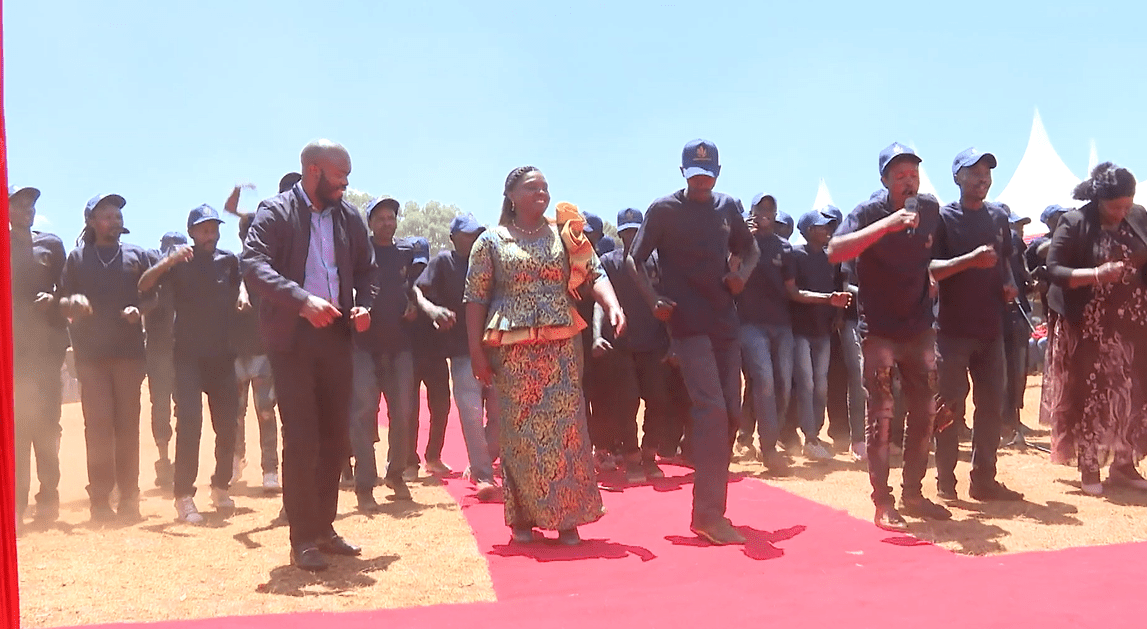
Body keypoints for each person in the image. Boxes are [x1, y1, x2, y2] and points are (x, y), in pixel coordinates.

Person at [464, 166, 625, 546]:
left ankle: (568, 517)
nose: (542, 192)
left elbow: (595, 273)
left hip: (561, 349)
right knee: (521, 435)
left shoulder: (565, 235)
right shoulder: (490, 242)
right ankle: (523, 517)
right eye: (532, 187)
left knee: (567, 432)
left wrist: (614, 305)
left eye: (546, 187)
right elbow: (474, 299)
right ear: (512, 196)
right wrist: (475, 352)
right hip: (513, 353)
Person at [241, 140, 375, 572]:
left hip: (337, 335)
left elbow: (369, 269)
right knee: (302, 439)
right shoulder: (276, 212)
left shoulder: (349, 216)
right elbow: (253, 265)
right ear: (314, 170)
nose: (347, 183)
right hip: (293, 339)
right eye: (341, 174)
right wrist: (301, 301)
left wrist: (365, 305)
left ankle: (325, 528)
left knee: (336, 437)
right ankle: (302, 539)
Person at [628, 139, 760, 545]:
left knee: (732, 415)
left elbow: (750, 249)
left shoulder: (727, 208)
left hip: (725, 322)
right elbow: (635, 257)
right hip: (686, 324)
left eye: (709, 175)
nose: (702, 182)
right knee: (712, 410)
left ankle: (705, 475)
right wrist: (654, 301)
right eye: (695, 175)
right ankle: (708, 515)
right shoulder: (664, 210)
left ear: (718, 173)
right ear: (683, 173)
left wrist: (742, 277)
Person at [828, 143, 950, 531]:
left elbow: (938, 252)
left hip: (919, 328)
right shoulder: (867, 213)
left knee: (926, 412)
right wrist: (888, 225)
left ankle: (913, 492)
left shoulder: (930, 209)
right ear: (884, 181)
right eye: (900, 176)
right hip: (878, 329)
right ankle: (883, 502)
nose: (909, 180)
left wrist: (932, 273)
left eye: (913, 173)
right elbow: (834, 251)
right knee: (881, 416)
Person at [1040, 162, 1147, 496]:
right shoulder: (1075, 222)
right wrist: (1097, 273)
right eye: (1116, 207)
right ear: (1100, 200)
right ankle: (1089, 465)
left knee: (1133, 393)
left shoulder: (1139, 216)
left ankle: (1124, 465)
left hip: (1132, 324)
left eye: (1127, 205)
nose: (1121, 212)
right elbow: (1053, 269)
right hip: (1087, 325)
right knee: (1091, 394)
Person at [929, 148, 1024, 503]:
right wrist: (969, 260)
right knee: (950, 407)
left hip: (990, 327)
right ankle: (945, 482)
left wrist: (1009, 281)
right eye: (974, 172)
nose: (983, 178)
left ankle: (983, 480)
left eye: (987, 173)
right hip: (952, 329)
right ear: (957, 178)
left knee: (991, 406)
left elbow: (1006, 261)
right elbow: (933, 270)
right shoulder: (942, 218)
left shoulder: (999, 217)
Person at [139, 205, 244, 523]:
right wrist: (168, 261)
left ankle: (220, 487)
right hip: (186, 357)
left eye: (214, 228)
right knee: (190, 425)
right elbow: (144, 284)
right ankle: (183, 496)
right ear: (192, 233)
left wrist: (242, 300)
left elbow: (237, 290)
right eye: (203, 229)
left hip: (222, 356)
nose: (210, 234)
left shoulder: (228, 261)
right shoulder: (179, 263)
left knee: (228, 425)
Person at [58, 194, 150, 522]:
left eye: (118, 214)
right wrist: (74, 300)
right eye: (107, 215)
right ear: (92, 222)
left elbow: (156, 296)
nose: (115, 219)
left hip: (128, 357)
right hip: (91, 358)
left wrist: (139, 310)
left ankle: (129, 497)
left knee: (127, 427)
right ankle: (99, 500)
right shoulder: (77, 258)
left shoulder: (138, 255)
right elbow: (63, 299)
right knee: (97, 428)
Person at [414, 214, 502, 500]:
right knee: (471, 413)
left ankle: (483, 461)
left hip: (498, 349)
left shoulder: (490, 263)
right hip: (463, 352)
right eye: (467, 234)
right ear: (454, 237)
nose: (473, 238)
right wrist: (433, 310)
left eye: (477, 233)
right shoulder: (442, 262)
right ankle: (483, 474)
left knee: (502, 414)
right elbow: (417, 290)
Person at [591, 208, 671, 483]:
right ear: (619, 233)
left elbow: (669, 302)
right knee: (627, 403)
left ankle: (650, 455)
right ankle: (633, 459)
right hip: (622, 345)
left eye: (636, 231)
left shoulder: (658, 262)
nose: (631, 236)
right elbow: (600, 301)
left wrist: (674, 342)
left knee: (659, 400)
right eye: (626, 232)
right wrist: (597, 337)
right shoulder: (608, 262)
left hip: (654, 344)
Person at [350, 196, 415, 510]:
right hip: (363, 347)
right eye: (380, 218)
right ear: (370, 224)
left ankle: (396, 474)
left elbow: (414, 288)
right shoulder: (358, 254)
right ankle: (365, 485)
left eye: (391, 217)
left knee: (403, 413)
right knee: (363, 413)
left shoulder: (405, 253)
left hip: (399, 346)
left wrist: (416, 304)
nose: (387, 222)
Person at [10, 185, 68, 529]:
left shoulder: (51, 244)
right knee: (17, 429)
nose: (28, 209)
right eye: (20, 203)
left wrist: (54, 298)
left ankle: (49, 499)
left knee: (47, 426)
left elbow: (68, 286)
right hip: (12, 354)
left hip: (47, 350)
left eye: (32, 204)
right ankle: (15, 506)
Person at [734, 193, 795, 473]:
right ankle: (768, 448)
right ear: (752, 211)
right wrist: (740, 242)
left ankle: (764, 439)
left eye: (771, 208)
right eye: (761, 208)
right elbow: (730, 273)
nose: (766, 213)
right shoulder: (741, 244)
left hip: (782, 325)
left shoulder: (785, 248)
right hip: (749, 324)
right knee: (765, 381)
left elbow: (792, 289)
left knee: (783, 384)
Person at [788, 208, 852, 461]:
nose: (826, 230)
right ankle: (809, 437)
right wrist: (827, 301)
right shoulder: (795, 255)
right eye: (820, 227)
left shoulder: (830, 259)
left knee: (821, 385)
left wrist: (836, 315)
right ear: (807, 230)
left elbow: (838, 290)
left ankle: (813, 434)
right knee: (806, 383)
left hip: (823, 331)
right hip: (800, 330)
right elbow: (793, 293)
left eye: (827, 227)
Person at [403, 236, 453, 478]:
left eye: (422, 264)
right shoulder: (399, 283)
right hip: (408, 354)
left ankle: (433, 457)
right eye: (415, 265)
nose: (419, 270)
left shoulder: (439, 280)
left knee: (441, 406)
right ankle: (409, 462)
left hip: (435, 353)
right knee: (409, 410)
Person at [143, 231, 185, 489]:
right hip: (159, 351)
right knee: (161, 407)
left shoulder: (187, 278)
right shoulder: (152, 279)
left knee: (184, 407)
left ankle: (179, 460)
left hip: (182, 352)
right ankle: (164, 461)